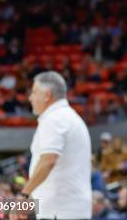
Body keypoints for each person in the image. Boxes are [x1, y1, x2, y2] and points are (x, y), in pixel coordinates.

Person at [21, 71, 92, 219]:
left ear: (47, 95)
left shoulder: (54, 118)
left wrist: (24, 195)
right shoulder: (69, 116)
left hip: (59, 211)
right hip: (69, 209)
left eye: (34, 92)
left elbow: (48, 160)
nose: (30, 98)